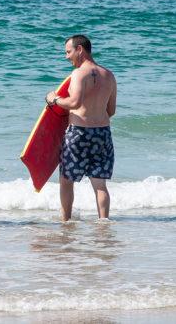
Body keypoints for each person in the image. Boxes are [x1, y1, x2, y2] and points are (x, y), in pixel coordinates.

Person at [46, 35, 117, 221]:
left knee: (66, 180)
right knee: (100, 184)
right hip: (103, 134)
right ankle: (104, 222)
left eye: (68, 52)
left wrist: (53, 99)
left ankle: (66, 222)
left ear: (80, 50)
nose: (66, 57)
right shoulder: (109, 75)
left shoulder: (78, 74)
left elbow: (74, 103)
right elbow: (111, 110)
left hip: (78, 134)